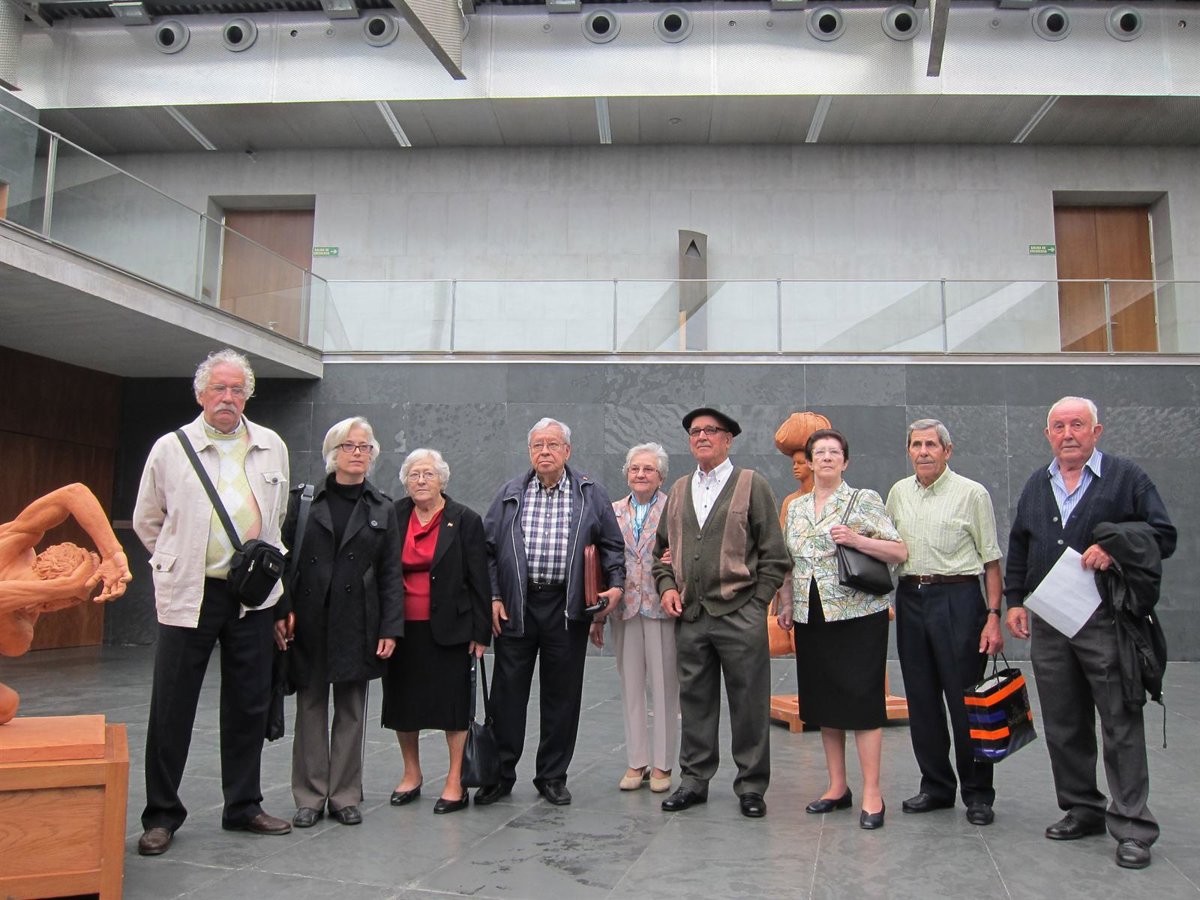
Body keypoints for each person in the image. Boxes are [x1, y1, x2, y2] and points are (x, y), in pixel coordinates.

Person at [132, 348, 291, 856]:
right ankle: (161, 815)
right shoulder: (170, 448)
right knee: (173, 705)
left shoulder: (271, 445)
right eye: (219, 388)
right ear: (201, 394)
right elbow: (147, 520)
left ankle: (243, 805)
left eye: (237, 389)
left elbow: (277, 519)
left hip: (251, 597)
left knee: (248, 703)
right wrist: (176, 559)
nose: (228, 397)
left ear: (248, 395)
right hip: (191, 591)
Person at [1005, 396, 1175, 870]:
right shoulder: (1038, 484)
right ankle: (1082, 808)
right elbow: (1020, 544)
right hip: (1050, 619)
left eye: (1077, 424)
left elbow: (1163, 535)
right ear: (1047, 435)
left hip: (1105, 619)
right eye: (1058, 426)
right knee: (1064, 721)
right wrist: (1014, 600)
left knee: (1120, 718)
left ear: (1096, 431)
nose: (1068, 434)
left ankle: (1133, 826)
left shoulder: (1126, 477)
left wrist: (1116, 547)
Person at [477, 417, 625, 807]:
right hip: (517, 605)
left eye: (553, 444)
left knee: (562, 695)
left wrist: (616, 585)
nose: (545, 451)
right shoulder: (510, 493)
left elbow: (612, 546)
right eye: (538, 445)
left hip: (567, 606)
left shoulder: (590, 493)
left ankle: (552, 776)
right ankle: (499, 775)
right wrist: (494, 596)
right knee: (507, 694)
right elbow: (487, 549)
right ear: (530, 451)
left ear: (567, 451)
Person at [654, 407, 790, 819]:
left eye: (711, 430)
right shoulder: (679, 490)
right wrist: (667, 587)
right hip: (692, 616)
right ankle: (694, 781)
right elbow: (661, 554)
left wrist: (756, 603)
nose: (701, 437)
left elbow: (775, 555)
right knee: (695, 701)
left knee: (749, 703)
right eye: (695, 431)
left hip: (740, 614)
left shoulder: (752, 485)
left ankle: (751, 786)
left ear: (728, 440)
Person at [777, 428, 907, 830]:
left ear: (845, 462)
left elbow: (898, 551)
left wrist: (855, 539)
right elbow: (789, 563)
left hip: (858, 615)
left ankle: (872, 793)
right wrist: (786, 603)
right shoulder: (796, 508)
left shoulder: (863, 499)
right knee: (824, 701)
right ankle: (837, 786)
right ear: (809, 462)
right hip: (812, 615)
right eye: (819, 452)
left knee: (863, 703)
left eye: (834, 452)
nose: (827, 458)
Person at [278, 417, 403, 829]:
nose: (358, 453)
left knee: (351, 710)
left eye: (365, 447)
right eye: (350, 446)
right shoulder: (304, 501)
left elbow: (390, 573)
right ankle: (310, 796)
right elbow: (285, 562)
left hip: (358, 622)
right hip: (310, 620)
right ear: (333, 453)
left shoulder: (383, 507)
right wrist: (283, 610)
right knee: (310, 707)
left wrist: (390, 628)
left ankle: (345, 795)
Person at [885, 419, 1004, 826]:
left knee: (965, 700)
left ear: (947, 451)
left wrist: (993, 617)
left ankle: (978, 794)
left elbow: (991, 561)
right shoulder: (899, 493)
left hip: (959, 599)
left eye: (931, 445)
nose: (923, 452)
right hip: (910, 598)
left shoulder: (972, 493)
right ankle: (935, 786)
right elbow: (888, 546)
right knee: (921, 699)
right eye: (916, 445)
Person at [383, 448, 491, 815]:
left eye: (428, 474)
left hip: (451, 628)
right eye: (414, 475)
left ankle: (455, 779)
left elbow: (479, 579)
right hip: (401, 627)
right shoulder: (393, 515)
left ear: (442, 479)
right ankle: (411, 773)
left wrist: (481, 632)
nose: (421, 480)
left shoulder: (464, 520)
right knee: (403, 703)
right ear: (405, 482)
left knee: (452, 706)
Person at [0, 483, 131, 724]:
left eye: (54, 606)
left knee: (6, 705)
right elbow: (73, 494)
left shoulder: (24, 621)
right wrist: (111, 553)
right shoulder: (12, 542)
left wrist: (111, 556)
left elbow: (14, 645)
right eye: (48, 603)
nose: (41, 609)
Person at [589, 442, 677, 793]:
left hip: (662, 606)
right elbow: (600, 563)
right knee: (630, 686)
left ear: (661, 476)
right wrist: (597, 617)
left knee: (665, 687)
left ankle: (663, 765)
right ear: (626, 473)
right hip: (623, 608)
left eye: (648, 469)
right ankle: (637, 761)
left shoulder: (674, 508)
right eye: (635, 469)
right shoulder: (611, 511)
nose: (641, 474)